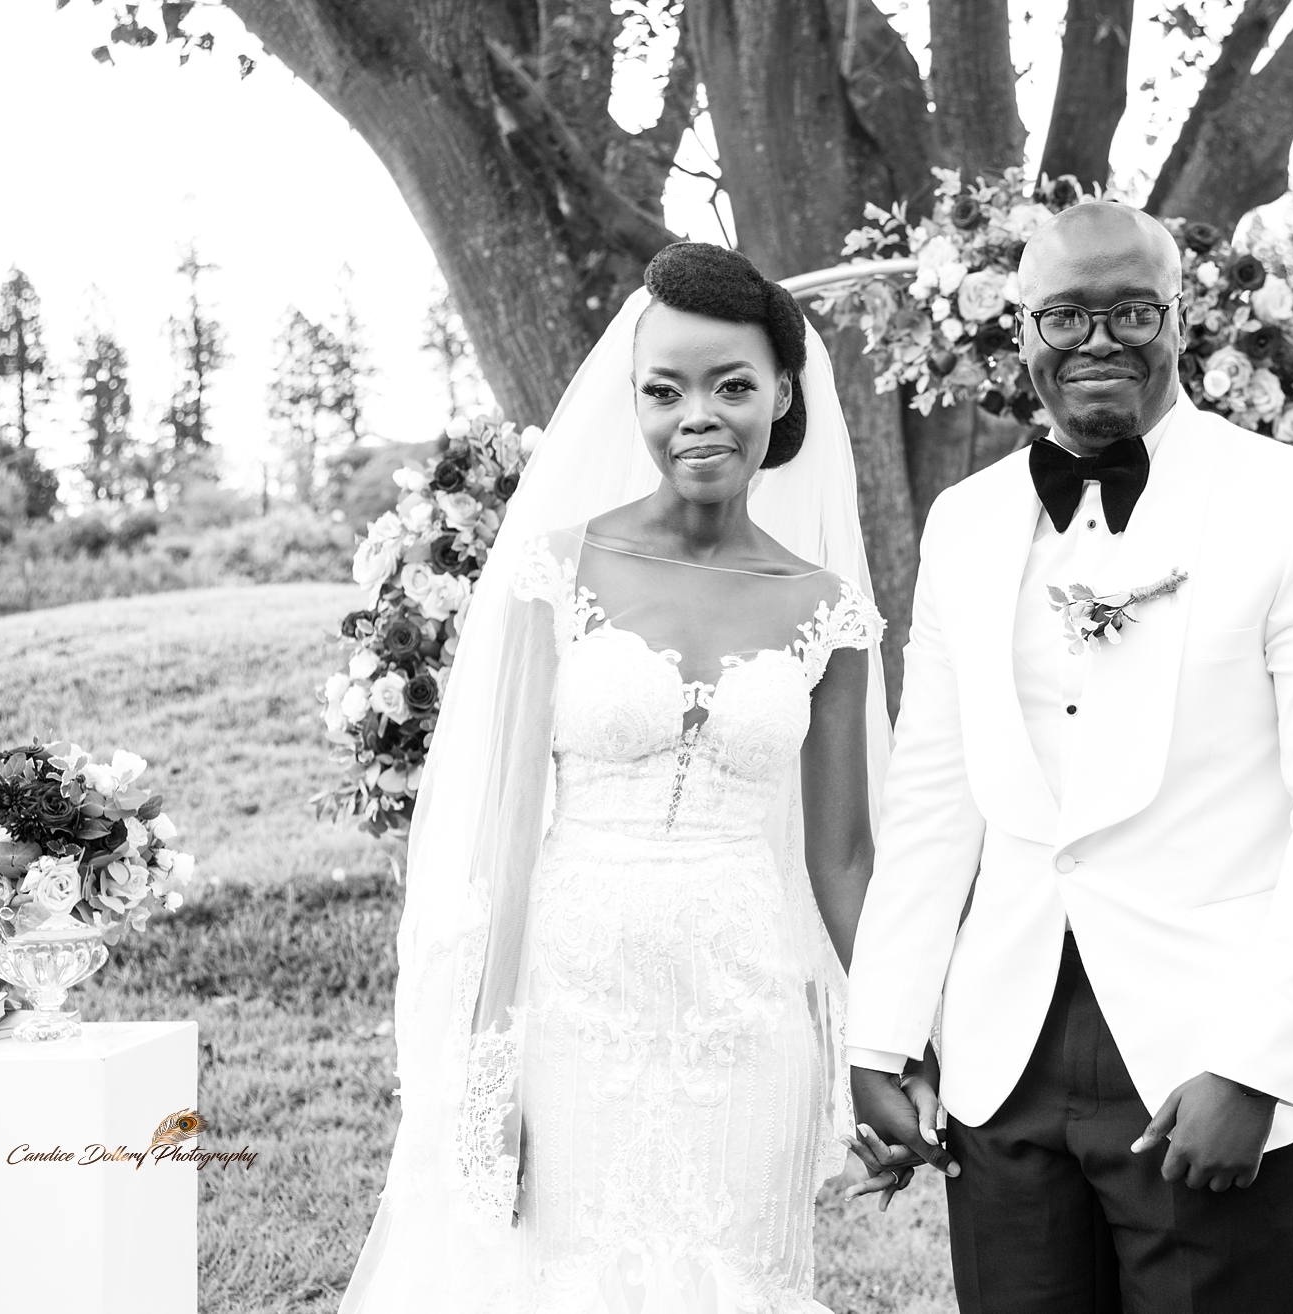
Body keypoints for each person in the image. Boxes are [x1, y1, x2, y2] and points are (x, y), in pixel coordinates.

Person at [844, 201, 1293, 1313]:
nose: (1097, 339)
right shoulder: (965, 521)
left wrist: (1259, 1065)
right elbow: (932, 797)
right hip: (1001, 1069)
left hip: (1203, 1069)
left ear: (1181, 318)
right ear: (1022, 330)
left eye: (1131, 310)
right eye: (1065, 315)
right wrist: (884, 1029)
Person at [338, 243, 893, 1314]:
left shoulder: (828, 608)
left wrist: (892, 1039)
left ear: (783, 393)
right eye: (664, 390)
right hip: (573, 1009)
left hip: (747, 1014)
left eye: (732, 386)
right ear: (631, 400)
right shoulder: (556, 568)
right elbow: (505, 834)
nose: (699, 416)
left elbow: (844, 859)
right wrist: (490, 1071)